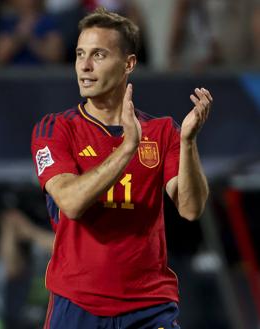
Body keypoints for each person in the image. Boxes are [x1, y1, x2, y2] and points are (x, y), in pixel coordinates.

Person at [31, 7, 213, 329]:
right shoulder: (55, 128)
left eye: (98, 55)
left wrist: (188, 143)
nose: (84, 67)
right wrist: (128, 147)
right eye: (79, 54)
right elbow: (71, 203)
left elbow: (190, 208)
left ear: (128, 63)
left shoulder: (162, 132)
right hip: (78, 304)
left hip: (150, 306)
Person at [0, 0, 64, 65]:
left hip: (42, 77)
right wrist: (19, 37)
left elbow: (55, 56)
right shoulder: (8, 22)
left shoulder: (49, 22)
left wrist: (31, 39)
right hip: (12, 77)